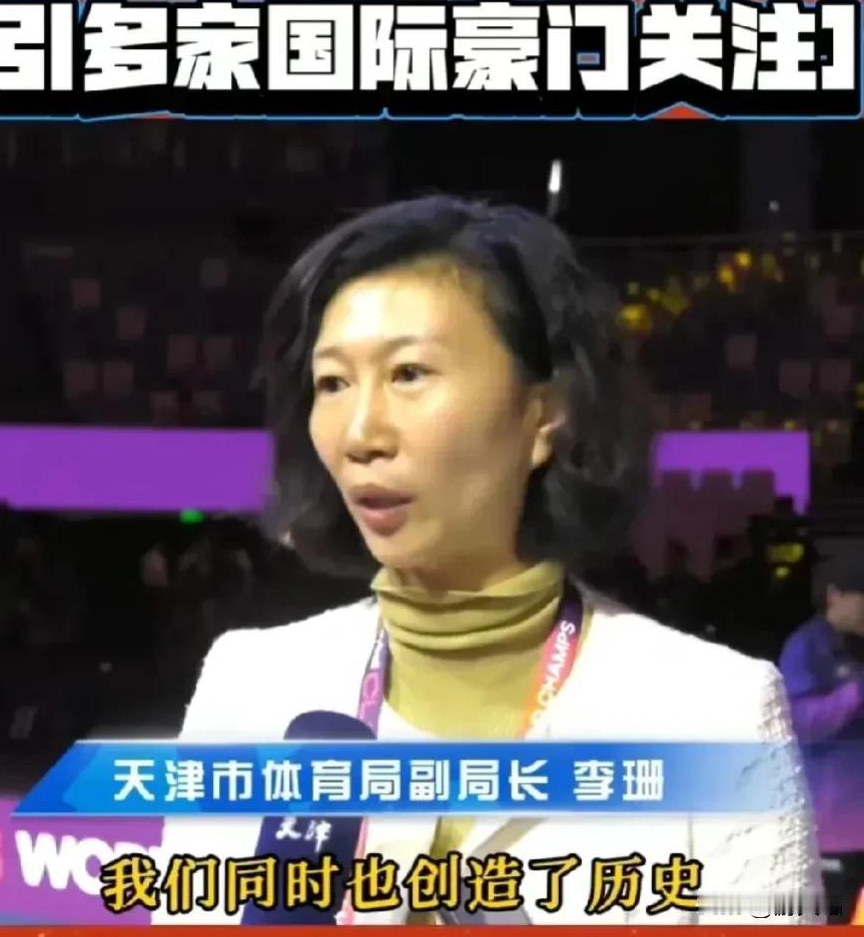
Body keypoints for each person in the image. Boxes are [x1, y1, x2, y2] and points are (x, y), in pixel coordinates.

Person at [156, 197, 820, 924]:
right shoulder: (251, 687)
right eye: (333, 383)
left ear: (545, 414)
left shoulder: (715, 712)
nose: (360, 432)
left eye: (409, 373)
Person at [779, 556, 864, 923]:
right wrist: (854, 695)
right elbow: (798, 720)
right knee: (833, 915)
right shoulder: (806, 646)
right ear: (835, 595)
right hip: (833, 821)